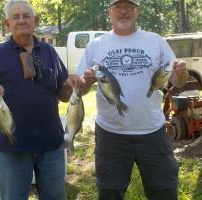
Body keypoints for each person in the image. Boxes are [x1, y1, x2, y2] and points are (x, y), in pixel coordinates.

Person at [77, 0, 188, 199]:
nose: (123, 12)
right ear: (109, 12)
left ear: (137, 12)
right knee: (109, 192)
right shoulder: (96, 45)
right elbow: (82, 89)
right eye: (118, 7)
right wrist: (85, 81)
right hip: (111, 134)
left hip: (152, 132)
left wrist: (181, 73)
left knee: (164, 191)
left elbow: (178, 82)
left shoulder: (155, 41)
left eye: (129, 7)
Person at [0, 0, 80, 199]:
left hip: (51, 144)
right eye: (15, 17)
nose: (21, 20)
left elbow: (63, 96)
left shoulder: (49, 52)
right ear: (7, 24)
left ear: (36, 21)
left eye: (26, 16)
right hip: (13, 146)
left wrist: (71, 87)